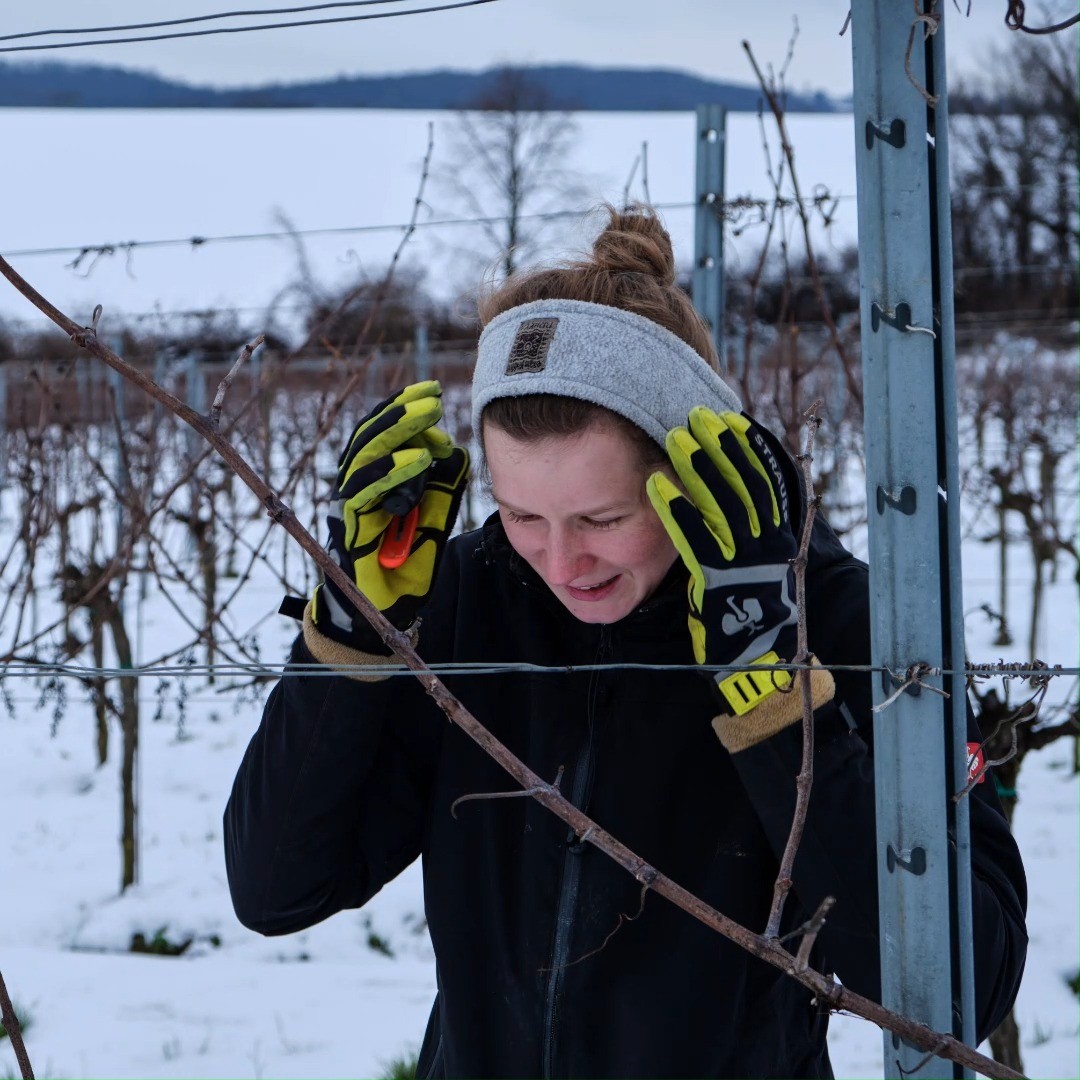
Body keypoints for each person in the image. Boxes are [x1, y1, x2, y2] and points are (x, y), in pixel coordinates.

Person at [224, 207, 1027, 1078]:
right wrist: (349, 643)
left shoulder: (837, 616)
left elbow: (959, 995)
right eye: (522, 513)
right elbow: (277, 890)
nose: (562, 561)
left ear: (685, 472)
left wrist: (773, 692)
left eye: (602, 518)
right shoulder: (463, 601)